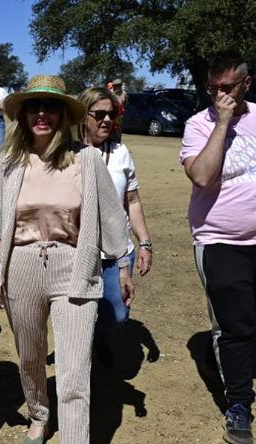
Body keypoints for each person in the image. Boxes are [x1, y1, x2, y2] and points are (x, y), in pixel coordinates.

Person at [0, 75, 129, 444]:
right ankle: (39, 415)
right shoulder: (8, 160)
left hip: (74, 267)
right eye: (33, 107)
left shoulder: (87, 160)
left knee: (75, 372)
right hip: (21, 264)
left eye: (50, 107)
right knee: (29, 354)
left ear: (65, 114)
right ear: (24, 114)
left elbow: (111, 221)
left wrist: (122, 266)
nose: (41, 115)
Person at [180, 51, 256, 444]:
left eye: (227, 87)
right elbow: (202, 175)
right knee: (236, 327)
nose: (219, 95)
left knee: (252, 308)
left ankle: (217, 361)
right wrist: (223, 123)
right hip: (218, 239)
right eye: (213, 88)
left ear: (247, 84)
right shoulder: (198, 124)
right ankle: (239, 407)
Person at [76, 86, 154, 368]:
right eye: (99, 114)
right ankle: (82, 361)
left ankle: (99, 337)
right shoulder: (67, 154)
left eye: (112, 114)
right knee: (78, 316)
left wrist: (144, 242)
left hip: (117, 255)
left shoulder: (121, 153)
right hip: (78, 255)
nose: (107, 120)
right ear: (83, 116)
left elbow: (132, 201)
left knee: (118, 314)